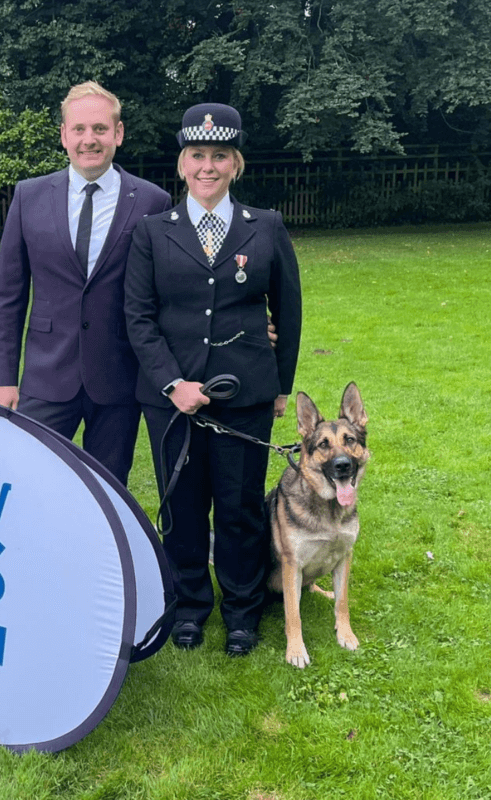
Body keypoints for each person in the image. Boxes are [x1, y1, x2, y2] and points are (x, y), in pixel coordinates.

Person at [124, 102, 302, 656]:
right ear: (181, 165)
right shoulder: (152, 232)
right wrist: (171, 383)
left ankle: (243, 610)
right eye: (197, 155)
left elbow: (288, 309)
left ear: (235, 163)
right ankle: (189, 606)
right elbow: (138, 315)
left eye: (219, 156)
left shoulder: (265, 227)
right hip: (171, 400)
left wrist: (279, 386)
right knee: (182, 505)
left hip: (243, 393)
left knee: (240, 505)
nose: (208, 166)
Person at [0, 81, 172, 485]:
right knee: (31, 483)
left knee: (107, 493)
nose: (89, 140)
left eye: (100, 129)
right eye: (79, 130)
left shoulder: (151, 202)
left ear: (118, 134)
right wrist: (5, 380)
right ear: (64, 135)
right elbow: (8, 296)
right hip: (46, 376)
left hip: (118, 380)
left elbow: (167, 294)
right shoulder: (29, 197)